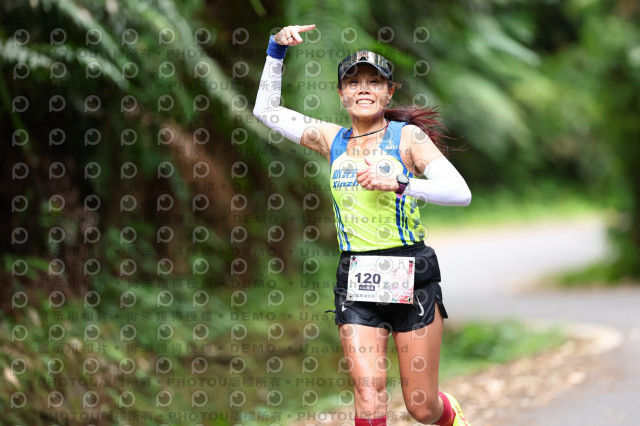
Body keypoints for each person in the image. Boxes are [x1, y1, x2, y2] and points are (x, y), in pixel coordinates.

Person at [253, 24, 473, 426]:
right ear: (342, 94)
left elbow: (460, 193)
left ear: (389, 93)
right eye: (353, 83)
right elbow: (266, 112)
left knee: (421, 407)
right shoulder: (331, 139)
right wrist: (275, 51)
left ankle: (450, 414)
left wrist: (401, 183)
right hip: (357, 275)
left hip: (411, 271)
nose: (364, 89)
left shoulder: (408, 138)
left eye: (375, 82)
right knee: (369, 398)